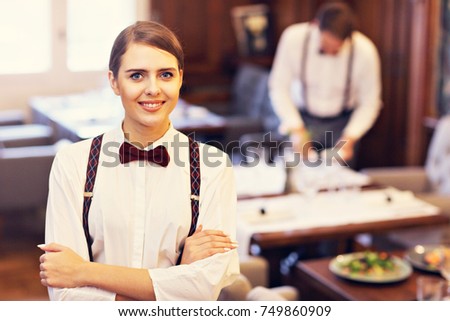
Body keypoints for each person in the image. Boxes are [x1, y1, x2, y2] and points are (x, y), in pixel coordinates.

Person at [38, 21, 239, 301]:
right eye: (136, 76)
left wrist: (84, 271)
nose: (153, 89)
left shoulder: (214, 167)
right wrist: (179, 274)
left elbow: (203, 288)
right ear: (113, 81)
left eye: (166, 75)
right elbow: (64, 292)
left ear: (180, 78)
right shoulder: (72, 163)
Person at [268, 2, 382, 166]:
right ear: (315, 25)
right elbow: (279, 87)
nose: (330, 51)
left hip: (342, 124)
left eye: (336, 49)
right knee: (297, 174)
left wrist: (350, 138)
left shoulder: (365, 51)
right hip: (303, 119)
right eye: (326, 45)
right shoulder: (293, 39)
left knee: (339, 182)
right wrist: (297, 130)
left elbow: (370, 103)